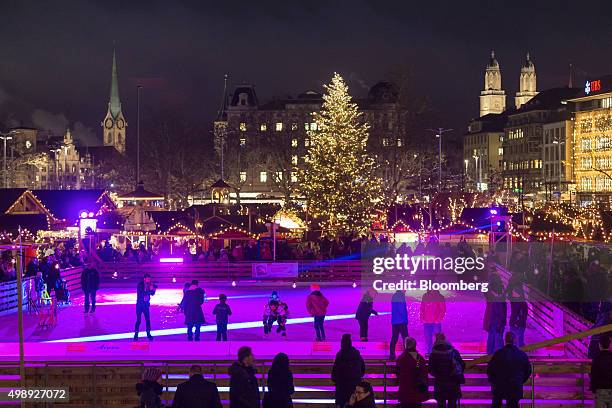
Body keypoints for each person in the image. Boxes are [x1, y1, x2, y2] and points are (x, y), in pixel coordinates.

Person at [487, 331, 532, 408]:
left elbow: (490, 370)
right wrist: (520, 380)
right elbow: (528, 370)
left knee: (496, 404)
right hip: (515, 386)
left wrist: (494, 382)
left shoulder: (498, 354)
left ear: (505, 340)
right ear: (515, 340)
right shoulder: (521, 354)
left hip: (500, 387)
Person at [428, 333, 465, 408]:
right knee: (452, 404)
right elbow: (462, 365)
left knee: (441, 404)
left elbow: (430, 369)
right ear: (445, 339)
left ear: (436, 340)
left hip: (440, 384)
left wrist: (438, 375)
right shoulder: (454, 352)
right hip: (453, 382)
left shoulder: (433, 354)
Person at [332, 334, 366, 408]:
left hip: (342, 392)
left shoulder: (340, 355)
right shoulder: (356, 354)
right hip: (355, 392)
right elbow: (362, 371)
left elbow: (333, 376)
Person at [396, 337, 428, 408]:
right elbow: (423, 372)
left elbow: (397, 373)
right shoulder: (418, 358)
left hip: (404, 392)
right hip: (416, 392)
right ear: (415, 345)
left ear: (405, 345)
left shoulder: (401, 358)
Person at [484, 275, 507, 355]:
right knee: (497, 338)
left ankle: (491, 354)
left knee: (493, 337)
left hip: (494, 320)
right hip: (496, 321)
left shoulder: (491, 297)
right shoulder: (500, 298)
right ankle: (496, 354)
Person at [420, 289, 446, 354]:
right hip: (427, 322)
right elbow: (422, 307)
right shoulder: (425, 296)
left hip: (435, 322)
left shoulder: (440, 297)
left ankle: (438, 352)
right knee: (428, 338)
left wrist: (438, 319)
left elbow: (443, 309)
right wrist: (422, 318)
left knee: (437, 339)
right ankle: (430, 352)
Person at [590, 334, 612, 407]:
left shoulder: (597, 359)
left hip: (600, 390)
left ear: (600, 345)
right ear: (609, 345)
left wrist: (593, 390)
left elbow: (593, 375)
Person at [134, 273, 157, 341]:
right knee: (138, 320)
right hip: (139, 305)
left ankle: (148, 334)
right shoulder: (140, 285)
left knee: (147, 320)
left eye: (149, 279)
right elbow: (142, 293)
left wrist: (154, 289)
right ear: (144, 279)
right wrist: (149, 290)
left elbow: (152, 294)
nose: (149, 280)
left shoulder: (150, 284)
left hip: (146, 306)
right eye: (148, 279)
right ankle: (136, 334)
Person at [390, 290, 409, 360]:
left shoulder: (394, 296)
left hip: (395, 321)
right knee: (406, 338)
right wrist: (405, 320)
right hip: (401, 321)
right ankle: (407, 355)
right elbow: (401, 309)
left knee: (394, 338)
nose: (406, 290)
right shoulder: (401, 296)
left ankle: (392, 355)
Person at [508, 283, 528, 347]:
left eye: (514, 291)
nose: (512, 292)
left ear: (518, 293)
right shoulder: (513, 301)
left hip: (519, 324)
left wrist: (517, 322)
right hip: (513, 323)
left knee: (519, 341)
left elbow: (523, 315)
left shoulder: (522, 304)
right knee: (513, 341)